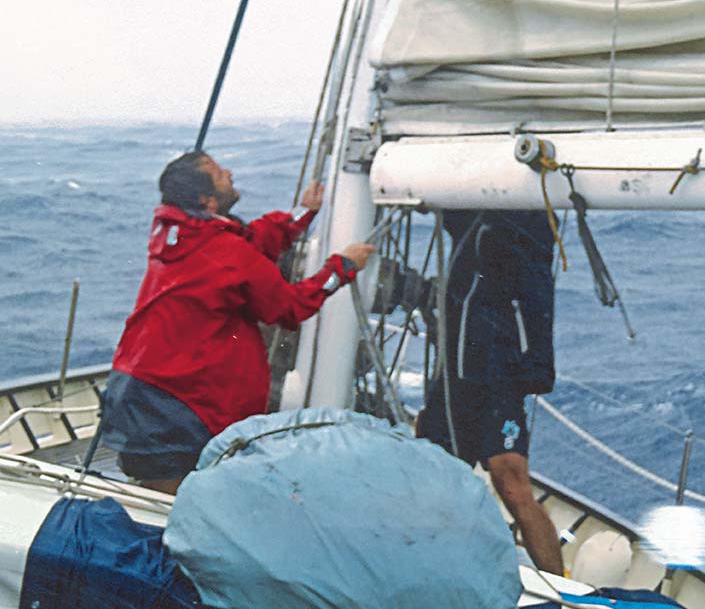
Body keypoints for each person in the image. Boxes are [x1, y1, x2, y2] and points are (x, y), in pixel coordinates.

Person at [101, 150, 374, 494]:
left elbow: (248, 241)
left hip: (140, 386)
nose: (228, 172)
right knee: (173, 506)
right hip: (174, 403)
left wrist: (303, 214)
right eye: (219, 174)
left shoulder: (176, 234)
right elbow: (290, 308)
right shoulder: (226, 254)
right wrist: (342, 268)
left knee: (166, 497)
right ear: (208, 200)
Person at [416, 209, 564, 575]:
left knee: (510, 479)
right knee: (433, 474)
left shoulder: (523, 226)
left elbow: (535, 291)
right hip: (455, 373)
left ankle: (559, 585)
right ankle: (433, 569)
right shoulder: (470, 220)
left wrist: (534, 366)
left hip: (499, 376)